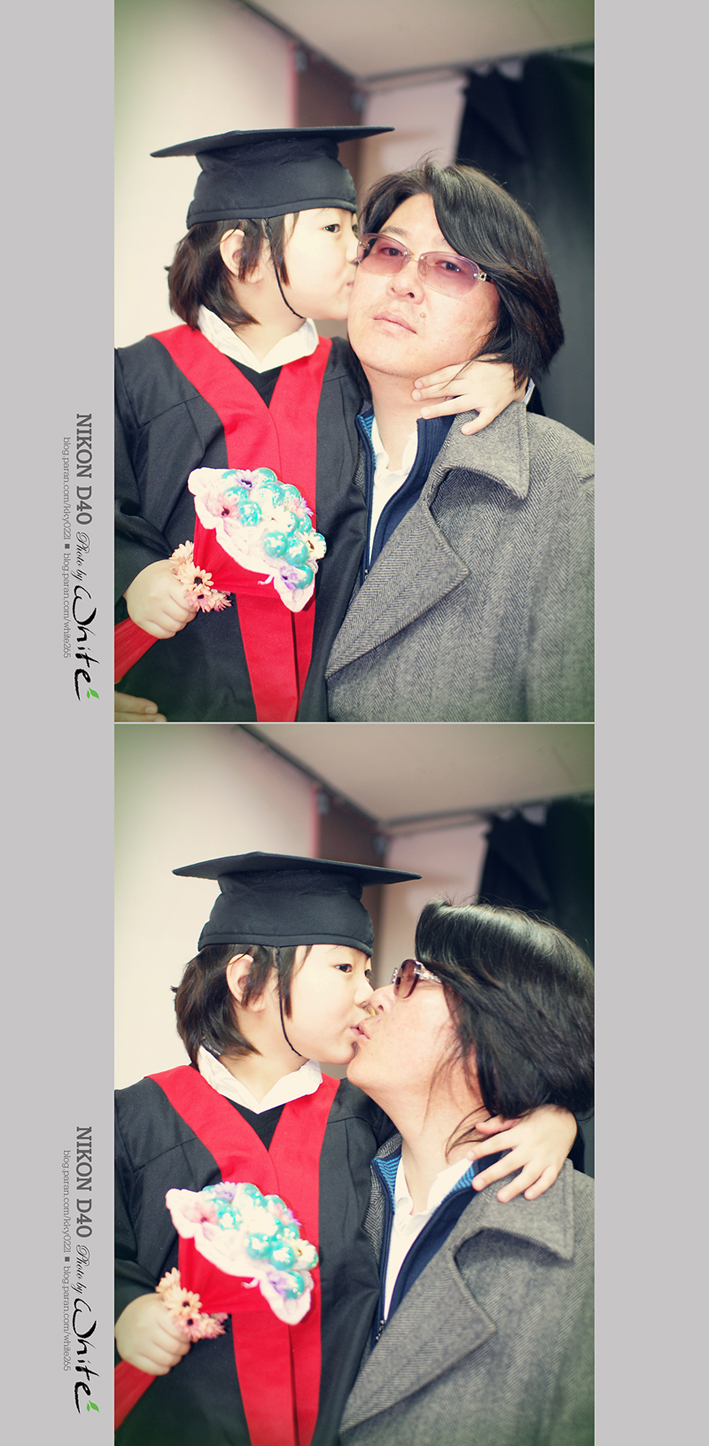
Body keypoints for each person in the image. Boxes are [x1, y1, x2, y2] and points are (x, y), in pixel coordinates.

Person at [115, 854, 578, 1446]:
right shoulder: (132, 1120)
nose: (368, 994)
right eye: (344, 968)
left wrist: (551, 1117)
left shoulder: (366, 1118)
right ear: (248, 981)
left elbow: (463, 1117)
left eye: (369, 971)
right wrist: (123, 1309)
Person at [115, 129, 522, 724]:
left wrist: (506, 375)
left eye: (355, 229)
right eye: (333, 228)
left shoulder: (362, 375)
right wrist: (130, 578)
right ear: (243, 253)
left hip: (324, 716)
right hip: (167, 702)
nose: (358, 249)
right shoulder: (131, 378)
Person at [325, 161, 594, 722]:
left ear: (506, 313)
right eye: (389, 251)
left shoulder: (572, 494)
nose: (403, 281)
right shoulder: (293, 438)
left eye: (449, 266)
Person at [341, 899, 594, 1446]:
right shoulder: (328, 1170)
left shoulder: (593, 1252)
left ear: (495, 1026)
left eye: (408, 977)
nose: (373, 996)